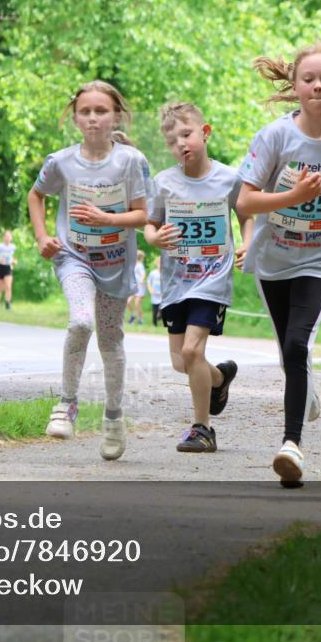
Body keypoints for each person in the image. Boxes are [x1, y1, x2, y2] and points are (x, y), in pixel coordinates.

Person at [236, 42, 321, 486]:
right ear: (295, 86)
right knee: (289, 351)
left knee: (298, 344)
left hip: (320, 256)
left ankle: (291, 445)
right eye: (309, 79)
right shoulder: (275, 137)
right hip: (273, 256)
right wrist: (293, 196)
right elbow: (245, 202)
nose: (318, 86)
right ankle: (306, 389)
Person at [27, 79, 150, 460]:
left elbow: (144, 215)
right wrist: (43, 237)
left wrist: (106, 219)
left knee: (110, 339)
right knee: (81, 321)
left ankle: (113, 418)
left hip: (115, 263)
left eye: (101, 111)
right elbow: (36, 195)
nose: (93, 118)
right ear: (75, 119)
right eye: (85, 112)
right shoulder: (61, 162)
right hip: (74, 257)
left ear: (116, 117)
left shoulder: (131, 162)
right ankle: (66, 404)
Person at [146, 101, 253, 453]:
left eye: (186, 135)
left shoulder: (229, 179)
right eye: (173, 141)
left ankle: (202, 428)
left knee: (193, 350)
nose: (181, 144)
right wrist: (154, 238)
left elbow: (246, 214)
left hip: (212, 279)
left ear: (205, 133)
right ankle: (219, 378)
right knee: (182, 362)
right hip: (176, 281)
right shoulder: (164, 183)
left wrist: (248, 243)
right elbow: (150, 224)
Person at [0, 230, 17, 310]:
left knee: (8, 286)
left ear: (11, 238)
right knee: (0, 287)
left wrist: (14, 261)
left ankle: (7, 303)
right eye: (6, 236)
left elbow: (13, 257)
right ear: (3, 238)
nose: (7, 238)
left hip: (8, 267)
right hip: (0, 267)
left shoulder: (13, 247)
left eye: (9, 236)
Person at [126, 251, 147, 324]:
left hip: (140, 287)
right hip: (133, 286)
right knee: (128, 302)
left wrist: (141, 281)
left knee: (137, 304)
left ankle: (141, 319)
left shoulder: (140, 265)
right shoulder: (132, 264)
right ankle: (133, 315)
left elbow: (143, 274)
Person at [147, 257, 162, 326]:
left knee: (163, 309)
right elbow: (148, 282)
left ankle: (161, 318)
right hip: (155, 294)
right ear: (156, 264)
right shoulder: (153, 273)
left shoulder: (165, 273)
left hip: (162, 294)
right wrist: (150, 290)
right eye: (159, 263)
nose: (160, 265)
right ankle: (154, 324)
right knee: (155, 310)